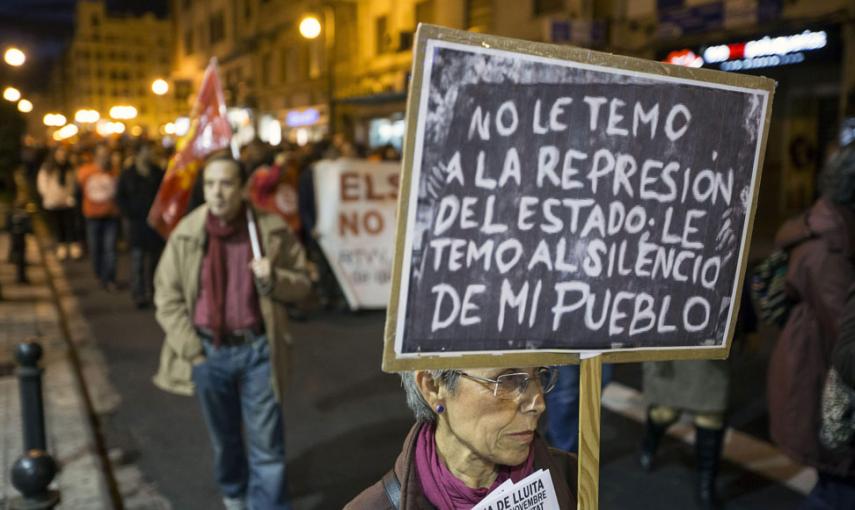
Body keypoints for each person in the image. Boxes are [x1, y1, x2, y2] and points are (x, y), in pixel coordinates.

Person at [153, 154, 311, 510]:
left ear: (242, 189)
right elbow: (166, 295)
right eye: (210, 184)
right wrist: (191, 350)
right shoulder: (187, 234)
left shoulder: (269, 229)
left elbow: (302, 284)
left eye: (226, 184)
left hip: (258, 351)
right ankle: (234, 492)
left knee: (267, 444)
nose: (217, 193)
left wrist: (274, 280)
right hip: (208, 352)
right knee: (225, 440)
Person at [346, 367, 577, 509]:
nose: (538, 402)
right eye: (507, 379)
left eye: (539, 374)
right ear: (433, 387)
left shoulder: (576, 479)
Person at [769, 143, 855, 509]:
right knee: (836, 488)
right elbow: (844, 334)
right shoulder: (830, 249)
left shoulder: (825, 226)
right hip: (818, 377)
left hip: (814, 368)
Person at [117, 141, 165, 308]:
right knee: (137, 260)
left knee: (154, 260)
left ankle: (152, 292)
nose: (150, 154)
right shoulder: (128, 174)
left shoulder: (157, 172)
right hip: (136, 223)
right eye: (147, 150)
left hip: (153, 224)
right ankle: (138, 293)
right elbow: (120, 196)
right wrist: (129, 213)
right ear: (139, 153)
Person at [77, 145, 120, 291]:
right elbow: (79, 191)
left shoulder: (113, 172)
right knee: (96, 248)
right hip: (92, 216)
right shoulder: (85, 172)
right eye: (101, 154)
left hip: (110, 215)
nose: (104, 157)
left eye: (106, 154)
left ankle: (110, 278)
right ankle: (99, 274)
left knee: (110, 249)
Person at [37, 146, 80, 260]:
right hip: (53, 201)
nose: (62, 157)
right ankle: (62, 247)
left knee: (70, 224)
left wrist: (71, 195)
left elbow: (73, 183)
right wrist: (48, 196)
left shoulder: (70, 168)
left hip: (67, 201)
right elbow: (42, 184)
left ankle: (73, 246)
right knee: (58, 225)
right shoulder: (48, 168)